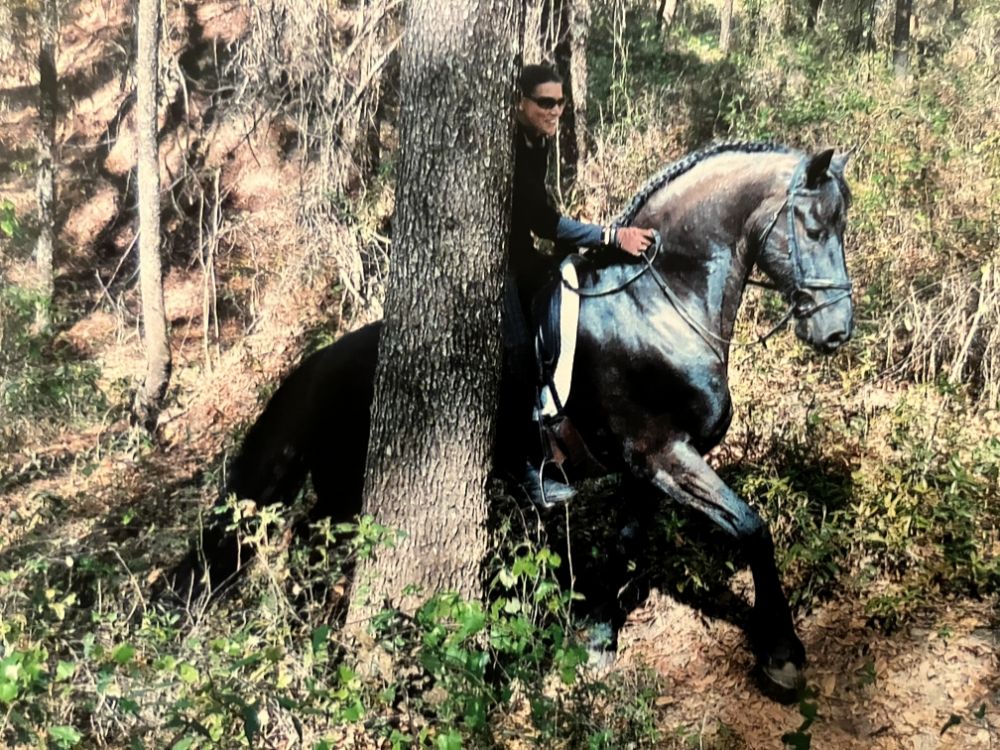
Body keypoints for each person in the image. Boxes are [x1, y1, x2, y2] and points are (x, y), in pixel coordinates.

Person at [506, 63, 655, 507]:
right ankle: (524, 472)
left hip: (519, 255)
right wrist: (612, 235)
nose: (556, 111)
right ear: (521, 103)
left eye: (561, 103)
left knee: (573, 281)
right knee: (513, 355)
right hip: (493, 268)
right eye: (545, 103)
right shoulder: (512, 146)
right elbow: (543, 221)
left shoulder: (537, 141)